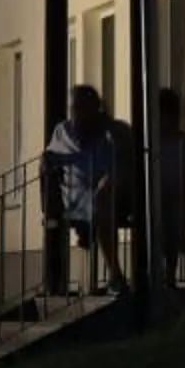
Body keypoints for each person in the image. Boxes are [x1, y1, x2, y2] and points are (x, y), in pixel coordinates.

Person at [45, 84, 125, 294]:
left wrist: (107, 180)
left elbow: (120, 163)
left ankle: (114, 274)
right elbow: (49, 159)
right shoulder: (63, 131)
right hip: (74, 194)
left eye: (83, 108)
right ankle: (57, 281)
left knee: (102, 199)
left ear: (96, 109)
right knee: (87, 204)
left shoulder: (110, 132)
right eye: (74, 108)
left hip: (106, 193)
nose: (78, 115)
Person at [153, 86, 185, 282]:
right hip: (160, 195)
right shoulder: (152, 143)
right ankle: (182, 251)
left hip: (181, 194)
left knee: (172, 217)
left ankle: (169, 273)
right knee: (168, 222)